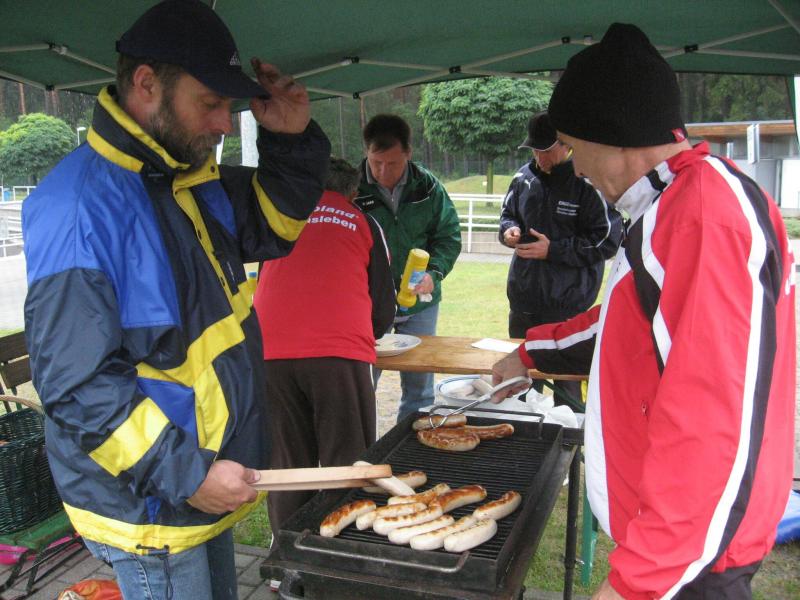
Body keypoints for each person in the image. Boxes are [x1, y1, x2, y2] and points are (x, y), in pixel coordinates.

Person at [21, 1, 330, 599]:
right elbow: (77, 386)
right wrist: (186, 475)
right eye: (210, 103)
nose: (224, 123)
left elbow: (275, 228)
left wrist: (290, 140)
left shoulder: (184, 175)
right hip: (152, 501)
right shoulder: (79, 209)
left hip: (201, 479)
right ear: (146, 85)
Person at [492, 23, 795, 600]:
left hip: (697, 560)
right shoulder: (672, 205)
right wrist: (530, 352)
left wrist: (639, 583)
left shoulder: (704, 215)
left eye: (575, 146)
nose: (577, 167)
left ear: (613, 134)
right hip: (684, 550)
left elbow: (715, 421)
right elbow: (624, 323)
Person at [253, 157, 395, 532]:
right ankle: (340, 548)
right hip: (338, 355)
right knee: (347, 461)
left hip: (270, 353)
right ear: (352, 192)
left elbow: (266, 280)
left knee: (288, 464)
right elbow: (384, 309)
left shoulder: (283, 219)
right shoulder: (362, 221)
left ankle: (287, 550)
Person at [499, 111, 622, 404]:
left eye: (546, 150)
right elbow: (507, 215)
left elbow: (607, 241)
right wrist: (508, 231)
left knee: (567, 393)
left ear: (566, 145)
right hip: (523, 301)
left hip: (567, 306)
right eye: (534, 150)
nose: (539, 157)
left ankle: (569, 433)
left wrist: (552, 250)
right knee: (520, 386)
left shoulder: (588, 183)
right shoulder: (523, 178)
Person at [354, 114, 462, 422]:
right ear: (366, 152)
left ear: (409, 153)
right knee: (362, 383)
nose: (383, 172)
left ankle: (412, 445)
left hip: (420, 304)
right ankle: (365, 448)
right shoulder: (351, 187)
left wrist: (434, 273)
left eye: (393, 163)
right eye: (376, 163)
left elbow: (448, 236)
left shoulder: (428, 187)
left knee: (420, 388)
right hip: (367, 303)